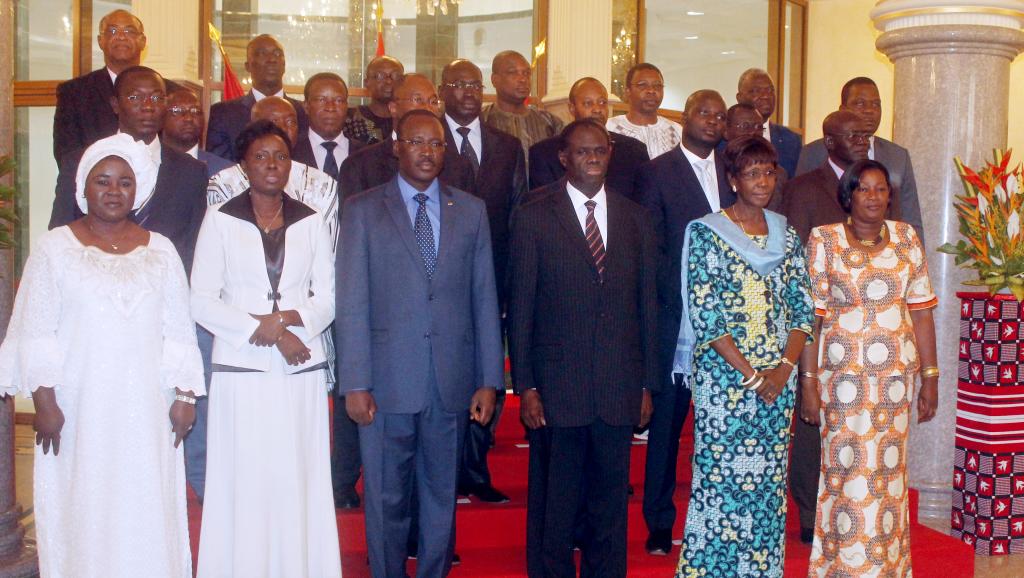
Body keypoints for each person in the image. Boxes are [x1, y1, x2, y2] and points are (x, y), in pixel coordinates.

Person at [0, 133, 204, 577]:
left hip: (149, 408)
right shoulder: (55, 248)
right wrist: (46, 403)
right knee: (86, 503)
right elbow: (36, 329)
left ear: (139, 189)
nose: (114, 191)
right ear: (83, 187)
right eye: (103, 181)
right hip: (78, 409)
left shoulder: (162, 251)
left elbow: (179, 330)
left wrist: (186, 397)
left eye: (125, 183)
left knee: (145, 502)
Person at [336, 109, 504, 578]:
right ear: (396, 146)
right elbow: (351, 300)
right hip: (385, 383)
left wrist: (490, 379)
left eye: (435, 144)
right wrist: (355, 381)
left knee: (440, 496)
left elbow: (484, 296)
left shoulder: (470, 210)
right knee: (386, 496)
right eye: (416, 142)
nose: (427, 152)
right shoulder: (364, 209)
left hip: (450, 380)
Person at [509, 119, 658, 578]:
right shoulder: (534, 214)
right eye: (582, 152)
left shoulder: (635, 218)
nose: (593, 158)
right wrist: (527, 385)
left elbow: (647, 306)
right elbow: (521, 308)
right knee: (556, 509)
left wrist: (647, 384)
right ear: (563, 157)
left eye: (600, 150)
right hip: (558, 389)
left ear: (610, 154)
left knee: (609, 509)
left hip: (617, 387)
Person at [192, 120, 340, 578]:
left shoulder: (311, 220)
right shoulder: (220, 220)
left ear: (291, 164)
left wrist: (291, 322)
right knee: (247, 477)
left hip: (300, 370)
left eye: (279, 156)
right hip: (242, 368)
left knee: (298, 476)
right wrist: (273, 331)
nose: (271, 165)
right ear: (244, 164)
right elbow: (200, 298)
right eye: (260, 157)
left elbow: (329, 298)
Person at [674, 135, 814, 577]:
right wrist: (754, 376)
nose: (762, 181)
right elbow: (707, 315)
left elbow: (803, 307)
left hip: (780, 381)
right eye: (752, 173)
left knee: (767, 487)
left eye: (768, 172)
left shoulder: (785, 232)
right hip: (727, 384)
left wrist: (784, 369)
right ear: (732, 179)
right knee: (722, 484)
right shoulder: (706, 233)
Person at [802, 159, 938, 577]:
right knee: (845, 470)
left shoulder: (906, 238)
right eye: (864, 189)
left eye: (881, 189)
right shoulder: (824, 240)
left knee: (887, 473)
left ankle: (885, 568)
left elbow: (922, 313)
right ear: (849, 195)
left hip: (894, 384)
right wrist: (808, 382)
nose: (874, 197)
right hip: (842, 383)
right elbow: (812, 318)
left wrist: (930, 377)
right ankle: (841, 566)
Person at [637, 89, 734, 556]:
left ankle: (715, 516)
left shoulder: (735, 174)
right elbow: (651, 250)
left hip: (731, 330)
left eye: (719, 116)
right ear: (685, 119)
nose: (712, 121)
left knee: (719, 430)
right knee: (666, 432)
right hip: (676, 324)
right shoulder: (658, 173)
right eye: (703, 113)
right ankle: (658, 521)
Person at [440, 58, 526, 504]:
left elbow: (516, 216)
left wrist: (511, 284)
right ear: (442, 91)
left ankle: (475, 470)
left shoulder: (508, 146)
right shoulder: (429, 141)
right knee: (451, 377)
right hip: (442, 284)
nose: (469, 92)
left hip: (492, 282)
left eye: (474, 85)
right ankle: (445, 472)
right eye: (458, 84)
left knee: (488, 375)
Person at [50, 66, 208, 274]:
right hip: (91, 288)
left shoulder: (191, 171)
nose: (148, 107)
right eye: (135, 98)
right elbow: (61, 233)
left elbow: (194, 245)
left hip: (163, 292)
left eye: (157, 98)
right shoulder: (81, 162)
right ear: (115, 104)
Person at [795, 77, 923, 239]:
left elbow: (911, 219)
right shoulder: (813, 153)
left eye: (876, 104)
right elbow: (799, 211)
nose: (869, 110)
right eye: (860, 103)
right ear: (842, 109)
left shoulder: (898, 156)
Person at [207, 97, 340, 244]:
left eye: (290, 122)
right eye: (274, 122)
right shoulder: (222, 185)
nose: (283, 129)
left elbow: (329, 252)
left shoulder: (323, 185)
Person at [339, 73, 475, 199]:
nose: (427, 108)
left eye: (433, 102)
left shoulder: (459, 167)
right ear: (393, 108)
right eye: (417, 99)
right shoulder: (359, 166)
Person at [529, 77, 650, 203]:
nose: (597, 109)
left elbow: (641, 207)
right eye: (588, 103)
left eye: (602, 102)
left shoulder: (634, 151)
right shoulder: (544, 153)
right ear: (572, 108)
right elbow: (540, 207)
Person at [53, 9, 147, 163]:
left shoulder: (166, 91)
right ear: (100, 41)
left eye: (129, 31)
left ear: (143, 41)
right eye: (113, 31)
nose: (121, 36)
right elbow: (67, 155)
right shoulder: (74, 93)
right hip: (95, 183)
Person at [205, 34, 309, 161]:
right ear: (247, 66)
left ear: (284, 65)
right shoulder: (223, 114)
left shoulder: (303, 112)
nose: (271, 59)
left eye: (277, 54)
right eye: (262, 54)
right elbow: (219, 166)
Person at [480, 50, 563, 156]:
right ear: (494, 80)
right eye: (513, 73)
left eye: (526, 73)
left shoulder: (550, 122)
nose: (523, 79)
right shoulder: (482, 120)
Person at [293, 73, 364, 183]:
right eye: (321, 100)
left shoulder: (365, 154)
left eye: (339, 100)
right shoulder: (291, 151)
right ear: (306, 106)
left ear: (347, 106)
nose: (330, 107)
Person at [735, 68, 802, 178]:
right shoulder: (724, 140)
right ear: (739, 98)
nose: (765, 96)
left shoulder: (792, 140)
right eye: (756, 91)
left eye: (770, 90)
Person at [606, 63, 682, 160]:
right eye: (642, 85)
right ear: (627, 91)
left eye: (657, 86)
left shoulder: (677, 131)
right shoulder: (609, 128)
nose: (651, 91)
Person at [718, 103, 786, 210]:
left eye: (758, 127)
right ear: (726, 131)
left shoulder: (778, 173)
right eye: (745, 126)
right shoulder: (714, 169)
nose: (753, 132)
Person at [162, 87, 233, 179]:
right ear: (161, 117)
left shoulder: (225, 172)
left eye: (195, 111)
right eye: (177, 111)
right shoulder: (146, 164)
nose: (188, 118)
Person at [344, 55, 405, 145]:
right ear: (366, 83)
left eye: (395, 76)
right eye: (380, 76)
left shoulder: (409, 120)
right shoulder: (350, 120)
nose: (388, 81)